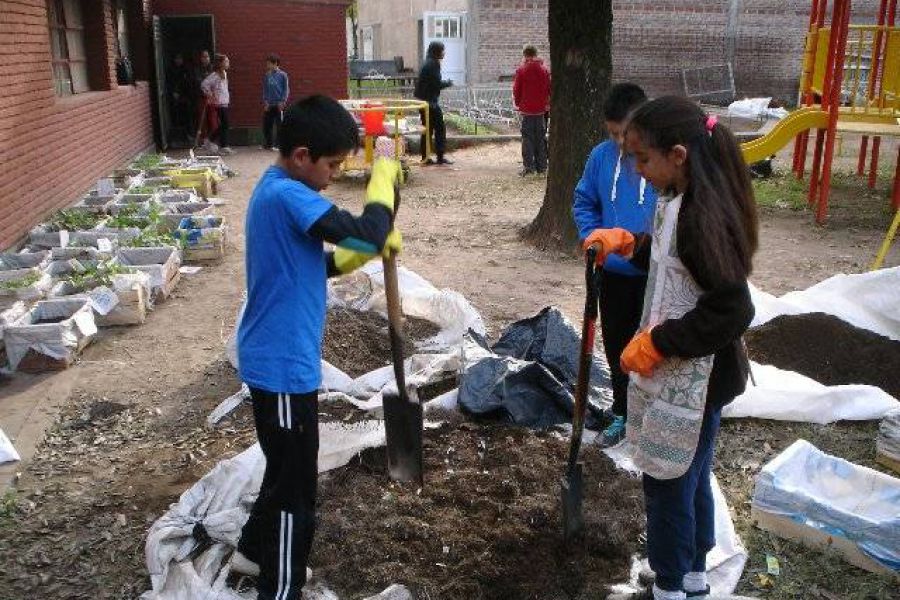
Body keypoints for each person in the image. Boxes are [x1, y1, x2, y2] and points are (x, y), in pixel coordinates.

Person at [233, 94, 403, 600]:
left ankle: (254, 552)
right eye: (331, 165)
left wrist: (346, 262)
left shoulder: (275, 190)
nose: (333, 175)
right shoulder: (287, 195)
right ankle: (280, 588)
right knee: (296, 492)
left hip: (276, 357)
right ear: (302, 155)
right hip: (283, 366)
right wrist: (381, 182)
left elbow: (305, 264)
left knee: (285, 470)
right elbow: (368, 228)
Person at [603, 96, 757, 600]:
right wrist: (632, 243)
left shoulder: (699, 217)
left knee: (666, 482)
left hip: (694, 382)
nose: (639, 172)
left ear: (678, 154)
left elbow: (733, 308)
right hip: (694, 382)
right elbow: (678, 264)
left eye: (643, 160)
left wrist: (659, 342)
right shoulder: (680, 202)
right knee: (690, 476)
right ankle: (693, 578)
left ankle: (669, 587)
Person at [572, 83, 657, 447]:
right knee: (617, 346)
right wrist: (593, 236)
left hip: (653, 277)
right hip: (613, 273)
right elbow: (584, 200)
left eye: (624, 133)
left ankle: (651, 415)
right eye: (613, 134)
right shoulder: (601, 158)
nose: (620, 141)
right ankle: (623, 411)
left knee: (652, 348)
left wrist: (645, 246)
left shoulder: (659, 162)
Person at [512, 45, 551, 176]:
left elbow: (517, 89)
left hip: (527, 110)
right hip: (541, 110)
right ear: (536, 54)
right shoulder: (544, 70)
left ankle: (529, 167)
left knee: (527, 138)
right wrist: (547, 103)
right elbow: (548, 88)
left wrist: (518, 103)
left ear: (525, 54)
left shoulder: (521, 70)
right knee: (540, 137)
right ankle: (542, 167)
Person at [414, 41, 452, 165]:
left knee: (428, 129)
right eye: (442, 50)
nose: (444, 53)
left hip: (424, 100)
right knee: (439, 128)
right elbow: (436, 84)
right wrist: (448, 83)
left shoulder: (429, 62)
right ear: (437, 52)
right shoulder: (433, 64)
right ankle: (439, 157)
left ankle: (426, 157)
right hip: (429, 102)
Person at [201, 54, 234, 155]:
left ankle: (215, 142)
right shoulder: (214, 75)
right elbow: (204, 84)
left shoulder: (224, 73)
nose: (228, 63)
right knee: (225, 124)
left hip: (224, 101)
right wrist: (210, 94)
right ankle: (218, 144)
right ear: (220, 63)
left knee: (224, 124)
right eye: (226, 61)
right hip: (218, 103)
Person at [262, 54, 290, 151]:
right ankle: (268, 144)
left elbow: (286, 89)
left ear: (275, 63)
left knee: (279, 125)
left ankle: (278, 145)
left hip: (279, 104)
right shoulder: (267, 75)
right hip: (269, 104)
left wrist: (283, 101)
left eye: (269, 63)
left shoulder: (283, 75)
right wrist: (265, 101)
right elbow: (265, 89)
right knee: (267, 125)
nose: (267, 65)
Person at [167, 53, 193, 144]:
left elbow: (188, 83)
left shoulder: (186, 70)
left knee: (187, 117)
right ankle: (178, 138)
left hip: (185, 97)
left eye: (180, 58)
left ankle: (188, 135)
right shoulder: (170, 70)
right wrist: (173, 92)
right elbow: (169, 82)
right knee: (176, 118)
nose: (178, 60)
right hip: (174, 97)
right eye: (176, 58)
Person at [193, 50, 214, 148]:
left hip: (212, 98)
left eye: (207, 57)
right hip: (202, 97)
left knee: (212, 118)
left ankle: (212, 138)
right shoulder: (197, 69)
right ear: (201, 58)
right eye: (203, 57)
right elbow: (198, 81)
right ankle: (204, 139)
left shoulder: (213, 68)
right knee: (202, 118)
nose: (205, 59)